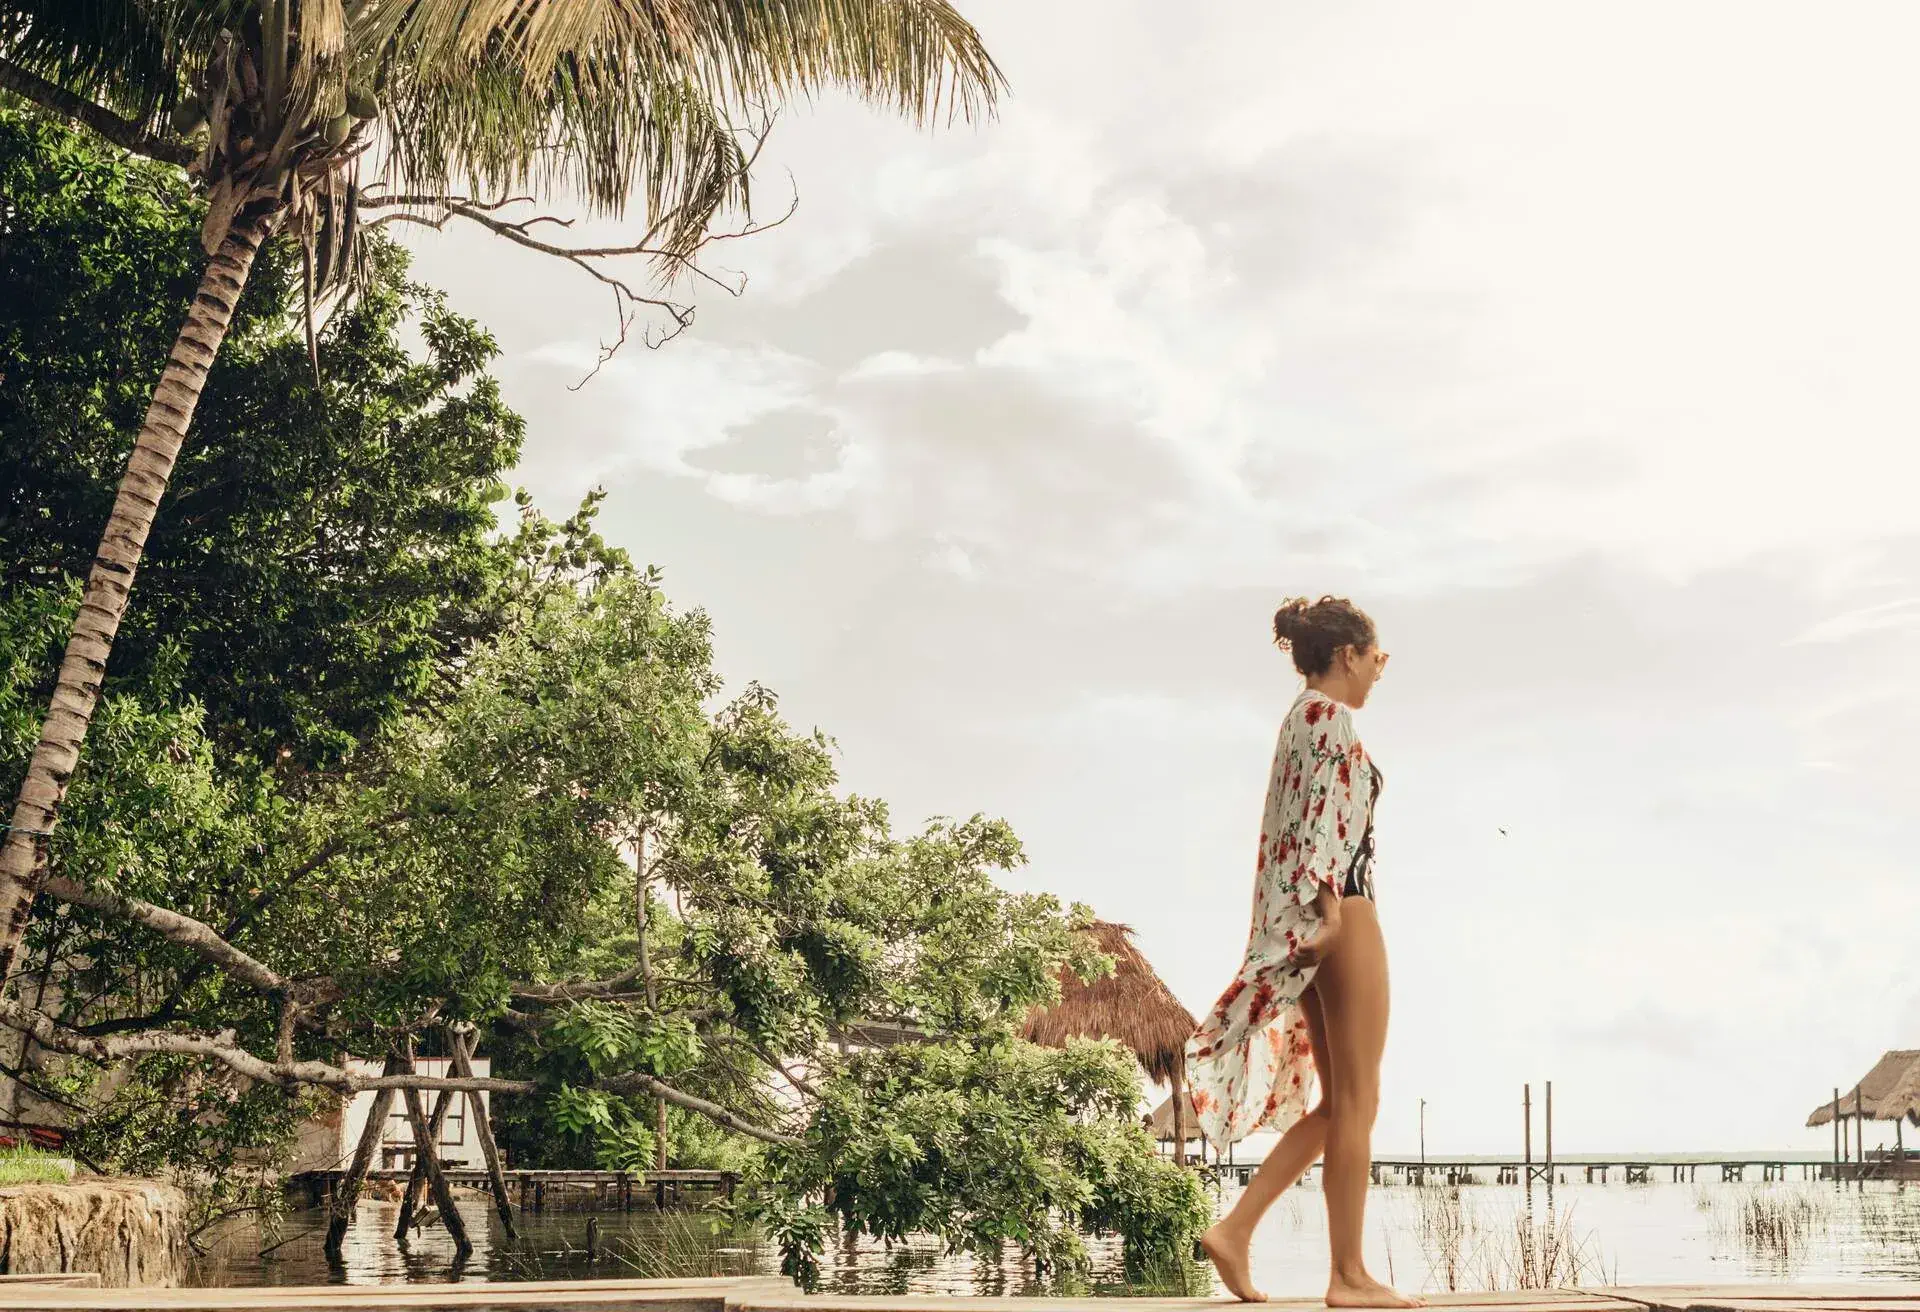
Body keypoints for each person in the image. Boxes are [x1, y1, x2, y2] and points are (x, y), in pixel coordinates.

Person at [1186, 595, 1416, 1307]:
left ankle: (1235, 1231)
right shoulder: (1329, 716)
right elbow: (1323, 823)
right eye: (1376, 656)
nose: (1380, 668)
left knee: (1342, 1100)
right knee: (1360, 1098)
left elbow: (1289, 829)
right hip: (1342, 910)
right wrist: (1329, 912)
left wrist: (1299, 922)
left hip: (1305, 920)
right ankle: (1347, 1276)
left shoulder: (1298, 718)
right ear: (1346, 654)